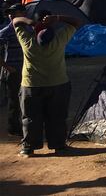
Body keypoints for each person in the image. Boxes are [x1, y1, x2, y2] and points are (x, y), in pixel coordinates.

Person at [13, 12, 81, 157]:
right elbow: (76, 22)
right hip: (58, 83)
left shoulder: (27, 41)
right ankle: (59, 146)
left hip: (31, 85)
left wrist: (31, 22)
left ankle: (28, 148)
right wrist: (58, 18)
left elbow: (15, 21)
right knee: (57, 116)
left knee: (30, 117)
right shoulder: (60, 39)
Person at [0, 3, 26, 137]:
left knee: (26, 99)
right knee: (14, 100)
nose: (11, 15)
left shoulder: (28, 28)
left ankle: (24, 125)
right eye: (10, 13)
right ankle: (14, 127)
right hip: (13, 71)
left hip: (26, 70)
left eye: (14, 12)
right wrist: (8, 68)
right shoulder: (6, 31)